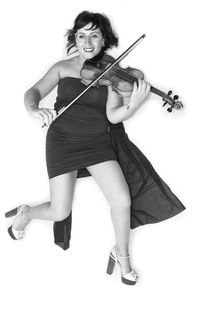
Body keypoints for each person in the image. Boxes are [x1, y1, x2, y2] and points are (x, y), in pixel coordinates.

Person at [5, 11, 186, 285]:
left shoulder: (111, 70)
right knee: (59, 211)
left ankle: (122, 255)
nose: (87, 42)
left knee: (122, 200)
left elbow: (113, 115)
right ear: (74, 38)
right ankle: (25, 213)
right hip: (62, 139)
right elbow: (32, 92)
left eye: (94, 35)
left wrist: (133, 105)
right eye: (81, 35)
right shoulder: (62, 68)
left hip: (97, 141)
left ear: (104, 39)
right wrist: (34, 109)